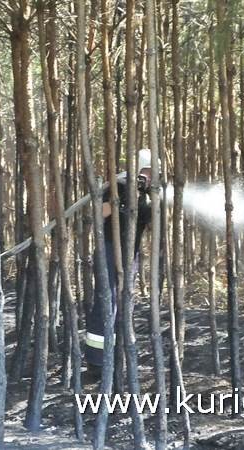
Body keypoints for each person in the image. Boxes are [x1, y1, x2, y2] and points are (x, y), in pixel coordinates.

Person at [84, 149, 156, 371]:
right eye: (148, 172)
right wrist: (125, 196)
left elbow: (153, 226)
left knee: (124, 301)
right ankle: (96, 361)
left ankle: (116, 355)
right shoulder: (118, 186)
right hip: (108, 249)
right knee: (108, 300)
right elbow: (100, 213)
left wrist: (152, 200)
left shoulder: (149, 196)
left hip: (129, 255)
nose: (152, 176)